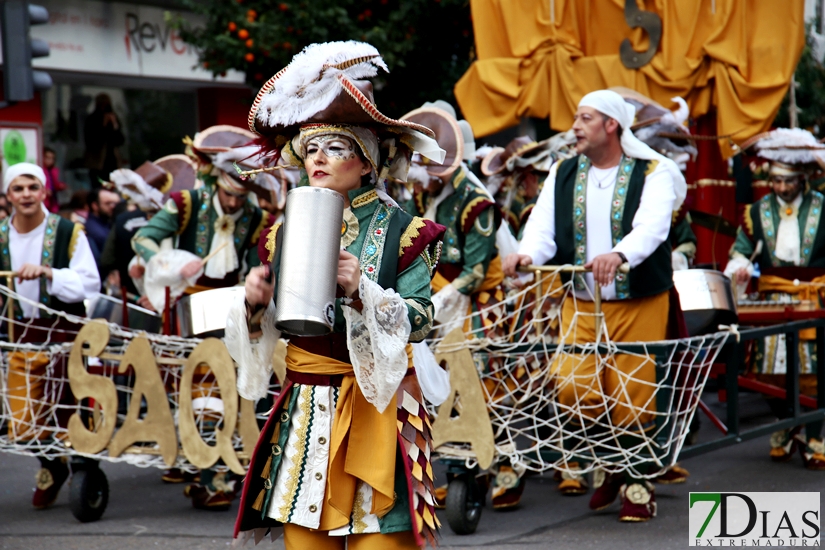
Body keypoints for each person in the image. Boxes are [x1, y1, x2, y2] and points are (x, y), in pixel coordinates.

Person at [227, 41, 445, 549]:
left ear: (367, 161)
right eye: (310, 149)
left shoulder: (408, 231)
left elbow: (419, 319)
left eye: (335, 147)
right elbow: (268, 334)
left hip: (378, 410)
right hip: (306, 412)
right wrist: (256, 305)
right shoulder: (283, 231)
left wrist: (363, 291)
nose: (317, 158)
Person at [503, 89, 686, 522]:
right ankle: (614, 467)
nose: (575, 127)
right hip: (581, 300)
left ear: (611, 125)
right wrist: (527, 256)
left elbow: (653, 226)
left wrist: (620, 255)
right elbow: (542, 232)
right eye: (576, 118)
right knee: (572, 387)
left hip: (639, 299)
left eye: (584, 118)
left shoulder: (655, 171)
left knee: (633, 397)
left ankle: (637, 486)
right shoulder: (563, 172)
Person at [131, 126, 276, 510]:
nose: (233, 203)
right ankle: (206, 470)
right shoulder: (184, 202)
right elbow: (142, 239)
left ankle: (214, 476)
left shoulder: (255, 216)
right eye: (228, 194)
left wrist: (258, 287)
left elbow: (252, 264)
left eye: (240, 196)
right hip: (188, 304)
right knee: (194, 387)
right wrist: (171, 263)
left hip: (231, 304)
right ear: (215, 182)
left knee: (221, 386)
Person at [724, 128, 825, 470]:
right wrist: (738, 267)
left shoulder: (823, 208)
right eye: (776, 182)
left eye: (789, 182)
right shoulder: (756, 211)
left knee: (816, 370)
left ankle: (814, 436)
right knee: (767, 372)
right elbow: (740, 250)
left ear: (804, 178)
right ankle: (788, 424)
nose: (781, 189)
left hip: (816, 298)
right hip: (773, 299)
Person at [2, 162, 100, 509]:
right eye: (18, 188)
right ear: (8, 195)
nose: (26, 194)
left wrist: (48, 272)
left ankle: (85, 473)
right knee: (22, 420)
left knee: (70, 411)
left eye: (32, 187)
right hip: (19, 335)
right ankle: (51, 466)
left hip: (65, 334)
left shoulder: (67, 232)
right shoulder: (1, 234)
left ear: (44, 192)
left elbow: (90, 284)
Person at [84, 93, 125, 187]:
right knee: (98, 187)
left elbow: (120, 140)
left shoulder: (113, 118)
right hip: (97, 163)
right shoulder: (92, 119)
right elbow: (92, 142)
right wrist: (103, 125)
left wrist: (115, 125)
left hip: (113, 161)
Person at [85, 187, 121, 264]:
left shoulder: (108, 222)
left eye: (115, 203)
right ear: (95, 206)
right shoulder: (94, 230)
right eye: (107, 203)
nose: (113, 206)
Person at [42, 147, 66, 213]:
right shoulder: (41, 170)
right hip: (44, 200)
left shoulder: (54, 170)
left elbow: (55, 184)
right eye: (48, 158)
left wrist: (61, 186)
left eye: (52, 158)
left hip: (53, 199)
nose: (50, 161)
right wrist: (45, 190)